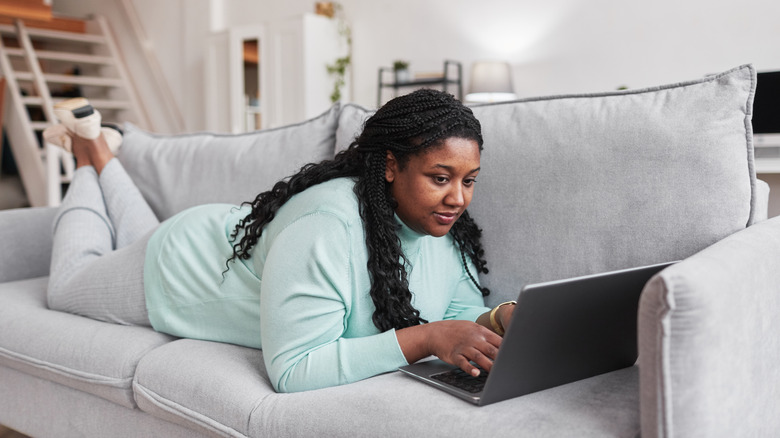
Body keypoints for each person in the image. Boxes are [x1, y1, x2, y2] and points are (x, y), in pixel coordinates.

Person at [44, 89, 516, 393]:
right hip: (181, 269)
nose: (457, 198)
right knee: (65, 286)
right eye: (440, 178)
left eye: (469, 180)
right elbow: (293, 369)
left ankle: (99, 147)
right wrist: (426, 337)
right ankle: (87, 157)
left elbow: (456, 313)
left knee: (134, 235)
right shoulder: (328, 227)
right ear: (391, 165)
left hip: (217, 237)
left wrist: (496, 321)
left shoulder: (444, 228)